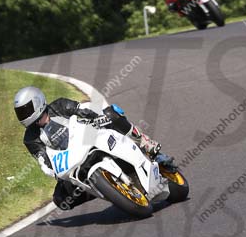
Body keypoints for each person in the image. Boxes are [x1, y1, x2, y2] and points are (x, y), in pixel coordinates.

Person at [13, 86, 164, 211]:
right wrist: (51, 171)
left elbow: (83, 109)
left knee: (113, 113)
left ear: (38, 102)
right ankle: (106, 190)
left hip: (88, 136)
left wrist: (98, 116)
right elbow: (42, 158)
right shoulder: (30, 138)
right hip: (72, 160)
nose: (24, 115)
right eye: (20, 112)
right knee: (60, 199)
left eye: (26, 110)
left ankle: (144, 142)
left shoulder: (59, 106)